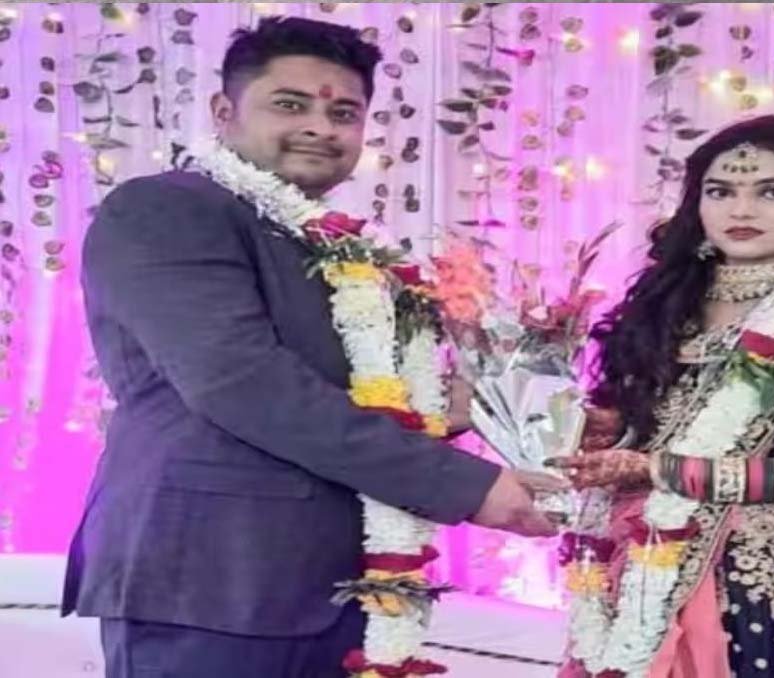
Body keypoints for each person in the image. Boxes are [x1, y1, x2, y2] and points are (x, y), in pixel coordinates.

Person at [62, 17, 560, 678]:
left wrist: (470, 408)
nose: (321, 127)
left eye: (343, 113)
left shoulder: (334, 247)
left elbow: (339, 388)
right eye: (290, 104)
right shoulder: (167, 210)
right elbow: (240, 381)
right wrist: (465, 486)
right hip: (211, 578)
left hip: (334, 588)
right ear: (224, 112)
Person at [554, 114, 774, 677]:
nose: (741, 210)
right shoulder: (667, 303)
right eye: (721, 191)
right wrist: (610, 432)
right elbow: (655, 429)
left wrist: (663, 470)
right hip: (645, 568)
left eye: (773, 192)